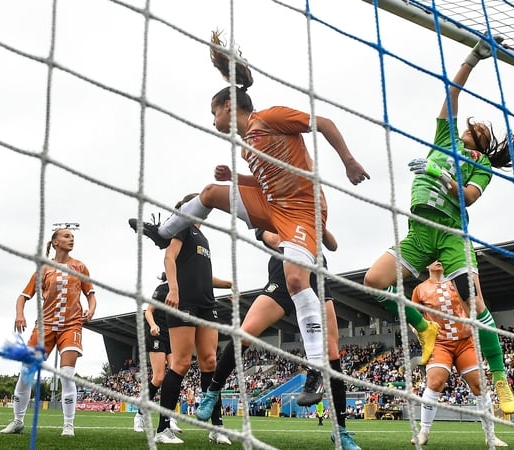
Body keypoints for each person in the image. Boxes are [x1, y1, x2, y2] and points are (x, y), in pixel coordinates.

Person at [129, 30, 369, 403]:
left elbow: (323, 123)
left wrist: (349, 161)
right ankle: (165, 231)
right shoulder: (246, 146)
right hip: (272, 207)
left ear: (228, 106)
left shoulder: (269, 118)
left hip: (300, 211)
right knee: (209, 192)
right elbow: (265, 180)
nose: (212, 120)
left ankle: (316, 370)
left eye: (213, 112)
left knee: (295, 279)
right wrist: (234, 179)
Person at [362, 34, 514, 414]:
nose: (471, 130)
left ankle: (499, 378)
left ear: (482, 146)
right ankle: (424, 327)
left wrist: (439, 172)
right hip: (419, 231)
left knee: (475, 303)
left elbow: (467, 197)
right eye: (470, 128)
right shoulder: (445, 135)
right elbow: (452, 93)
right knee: (372, 283)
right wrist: (472, 59)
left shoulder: (481, 164)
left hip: (451, 235)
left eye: (478, 132)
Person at [195, 228, 361, 450]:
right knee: (244, 333)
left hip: (315, 272)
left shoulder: (313, 204)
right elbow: (268, 236)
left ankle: (340, 432)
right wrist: (294, 237)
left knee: (331, 350)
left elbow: (332, 245)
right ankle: (212, 392)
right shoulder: (273, 203)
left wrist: (318, 226)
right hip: (284, 272)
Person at [148, 193, 233, 445]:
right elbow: (168, 258)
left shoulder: (203, 237)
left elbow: (203, 275)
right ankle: (163, 429)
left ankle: (216, 427)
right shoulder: (183, 226)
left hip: (207, 305)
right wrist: (172, 288)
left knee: (209, 363)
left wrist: (230, 284)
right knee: (181, 364)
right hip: (184, 303)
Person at [0, 227, 97, 437]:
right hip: (44, 327)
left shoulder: (80, 266)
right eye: (66, 236)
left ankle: (68, 425)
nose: (71, 239)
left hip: (71, 325)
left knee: (67, 375)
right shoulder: (44, 269)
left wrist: (91, 309)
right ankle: (17, 421)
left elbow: (90, 294)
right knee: (26, 374)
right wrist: (20, 314)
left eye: (72, 237)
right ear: (55, 242)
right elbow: (22, 296)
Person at [409, 261, 507, 447]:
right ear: (426, 265)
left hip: (465, 342)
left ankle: (491, 436)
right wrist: (418, 331)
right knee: (435, 382)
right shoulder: (419, 289)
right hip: (439, 343)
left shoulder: (458, 281)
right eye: (433, 258)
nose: (437, 261)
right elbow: (412, 316)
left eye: (440, 257)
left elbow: (476, 306)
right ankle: (424, 432)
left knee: (480, 385)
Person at [133, 272, 180, 434]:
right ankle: (139, 414)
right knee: (159, 377)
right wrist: (153, 325)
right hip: (157, 334)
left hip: (173, 337)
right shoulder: (162, 289)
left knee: (176, 375)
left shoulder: (184, 291)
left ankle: (169, 417)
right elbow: (148, 311)